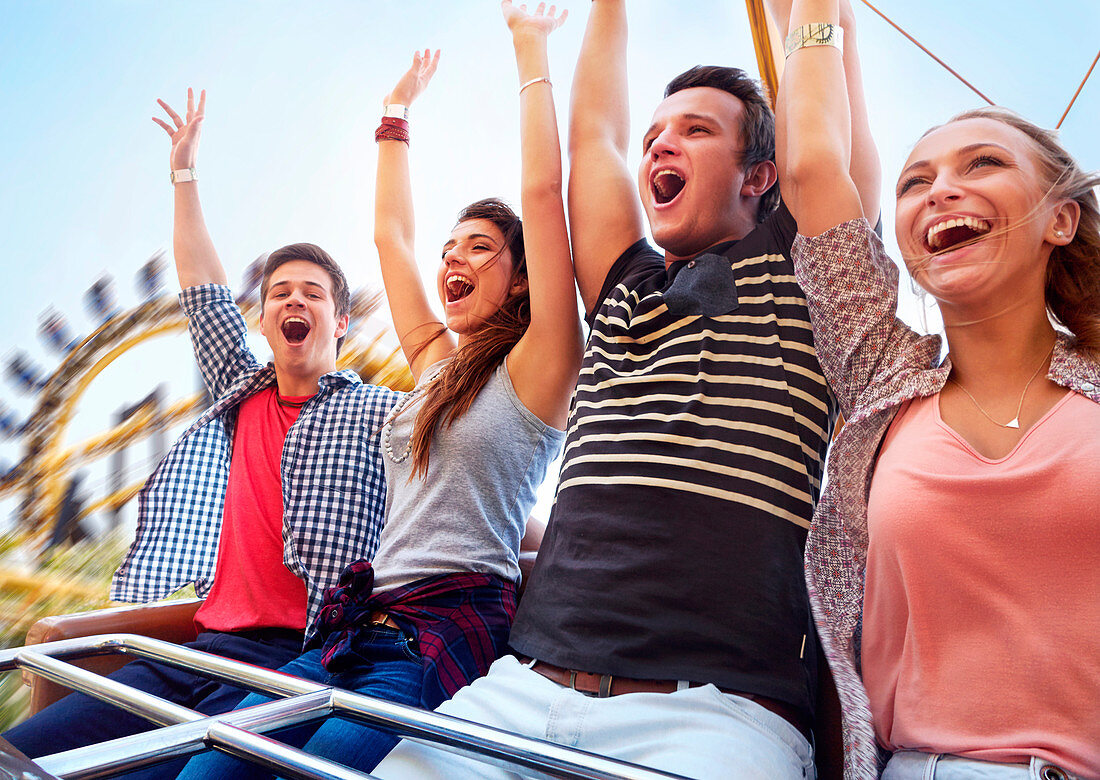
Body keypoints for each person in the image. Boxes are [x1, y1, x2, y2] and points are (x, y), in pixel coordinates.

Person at [374, 1, 878, 778]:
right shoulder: (621, 288)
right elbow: (594, 141)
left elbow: (823, 130)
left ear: (760, 176)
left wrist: (814, 16)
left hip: (718, 715)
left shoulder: (808, 270)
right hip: (521, 691)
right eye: (654, 138)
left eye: (696, 131)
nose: (660, 145)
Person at [175, 3, 582, 776]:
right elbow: (390, 238)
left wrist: (530, 52)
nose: (453, 258)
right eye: (451, 247)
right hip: (362, 621)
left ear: (524, 278)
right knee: (210, 765)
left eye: (481, 249)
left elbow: (542, 193)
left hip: (441, 629)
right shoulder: (436, 365)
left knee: (312, 771)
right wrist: (394, 116)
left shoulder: (541, 366)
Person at [2, 89, 401, 775]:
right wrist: (184, 175)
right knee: (26, 754)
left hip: (296, 658)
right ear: (266, 319)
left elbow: (466, 473)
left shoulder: (381, 412)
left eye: (313, 292)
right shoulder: (240, 392)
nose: (293, 300)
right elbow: (202, 287)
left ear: (340, 323)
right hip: (200, 647)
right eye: (280, 292)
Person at [776, 0, 1100, 777]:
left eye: (981, 164)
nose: (939, 190)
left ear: (1060, 219)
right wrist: (819, 17)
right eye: (915, 181)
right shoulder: (885, 377)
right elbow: (815, 167)